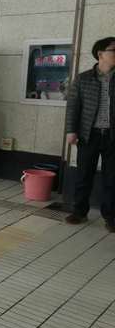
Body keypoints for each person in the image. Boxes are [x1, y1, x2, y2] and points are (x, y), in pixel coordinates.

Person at [65, 37, 115, 232]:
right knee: (83, 174)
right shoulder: (83, 78)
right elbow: (73, 107)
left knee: (112, 178)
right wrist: (71, 131)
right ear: (101, 54)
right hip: (89, 135)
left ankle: (111, 217)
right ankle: (79, 212)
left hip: (112, 136)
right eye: (114, 50)